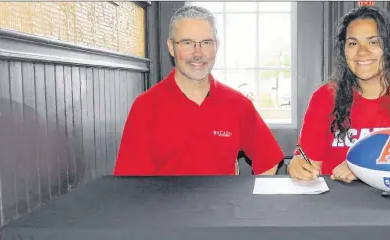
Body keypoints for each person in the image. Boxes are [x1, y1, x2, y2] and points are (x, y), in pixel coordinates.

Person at [114, 5, 284, 176]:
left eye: (206, 42)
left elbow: (269, 160)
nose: (197, 53)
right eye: (187, 42)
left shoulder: (237, 104)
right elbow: (129, 184)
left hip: (224, 204)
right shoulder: (145, 107)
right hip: (164, 203)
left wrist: (247, 201)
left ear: (216, 46)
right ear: (171, 47)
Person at [287, 5, 390, 183]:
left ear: (389, 47)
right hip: (336, 205)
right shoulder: (324, 96)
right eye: (353, 43)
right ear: (344, 51)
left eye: (373, 42)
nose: (362, 52)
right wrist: (298, 167)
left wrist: (364, 165)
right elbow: (308, 163)